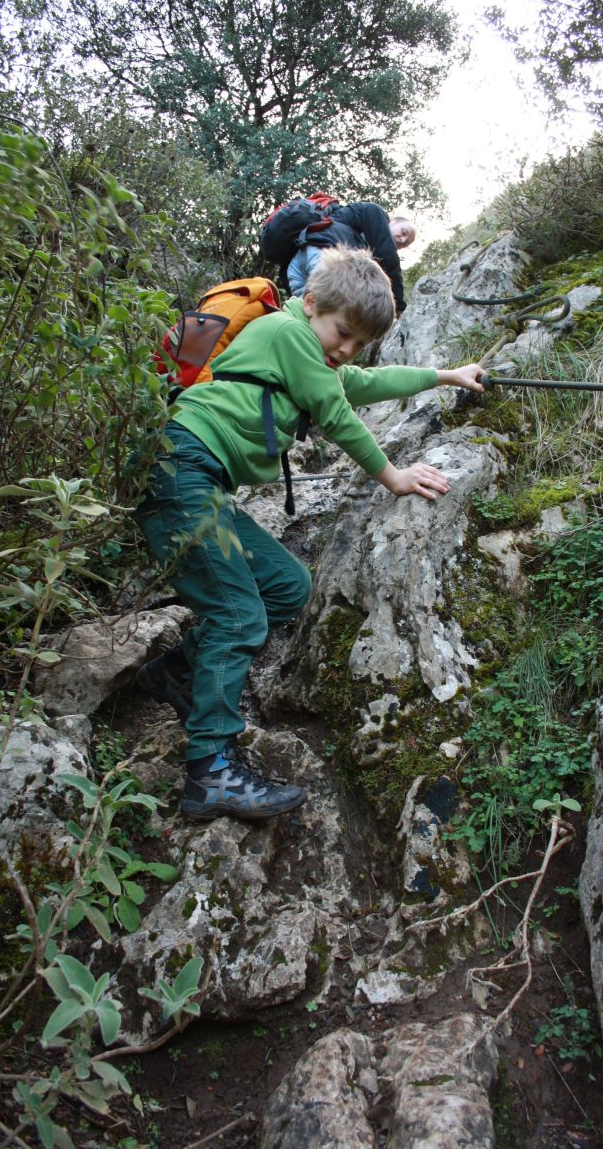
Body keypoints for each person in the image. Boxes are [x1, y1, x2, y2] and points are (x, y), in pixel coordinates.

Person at [135, 247, 484, 824]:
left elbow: (362, 382)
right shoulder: (288, 332)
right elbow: (336, 409)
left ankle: (176, 672)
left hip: (204, 485)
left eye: (356, 342)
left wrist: (446, 374)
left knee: (288, 587)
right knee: (238, 615)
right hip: (180, 473)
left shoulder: (310, 349)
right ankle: (210, 769)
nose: (345, 349)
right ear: (311, 302)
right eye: (342, 332)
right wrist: (392, 476)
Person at [286, 204, 416, 313]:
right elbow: (389, 257)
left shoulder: (362, 235)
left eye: (406, 243)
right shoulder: (375, 212)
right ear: (392, 221)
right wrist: (399, 306)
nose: (402, 239)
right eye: (404, 232)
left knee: (304, 313)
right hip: (321, 255)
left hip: (298, 264)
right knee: (332, 310)